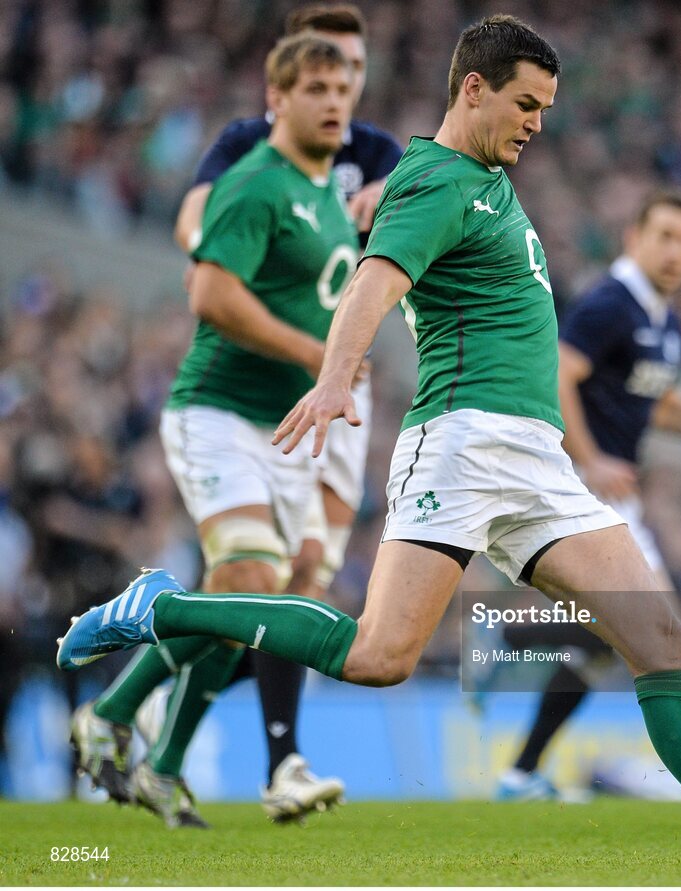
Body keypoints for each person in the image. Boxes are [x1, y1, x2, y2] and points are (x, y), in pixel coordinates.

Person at [58, 15, 681, 866]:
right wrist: (336, 374)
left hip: (538, 462)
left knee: (661, 638)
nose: (537, 123)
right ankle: (161, 606)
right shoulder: (441, 178)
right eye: (525, 103)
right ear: (473, 88)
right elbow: (375, 281)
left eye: (547, 109)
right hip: (461, 445)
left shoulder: (477, 174)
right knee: (378, 655)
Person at [71, 3, 404, 827]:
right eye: (318, 87)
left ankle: (149, 746)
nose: (336, 101)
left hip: (287, 429)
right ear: (276, 97)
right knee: (252, 580)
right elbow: (210, 291)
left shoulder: (332, 191)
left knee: (246, 602)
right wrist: (312, 354)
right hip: (217, 412)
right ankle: (127, 705)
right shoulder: (255, 179)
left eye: (344, 87)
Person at [496, 188, 681, 800]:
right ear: (633, 239)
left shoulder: (662, 317)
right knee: (661, 632)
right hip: (585, 488)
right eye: (665, 236)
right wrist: (589, 459)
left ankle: (519, 773)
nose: (677, 252)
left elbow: (658, 404)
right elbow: (559, 369)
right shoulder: (612, 302)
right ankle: (514, 634)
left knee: (603, 649)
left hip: (614, 496)